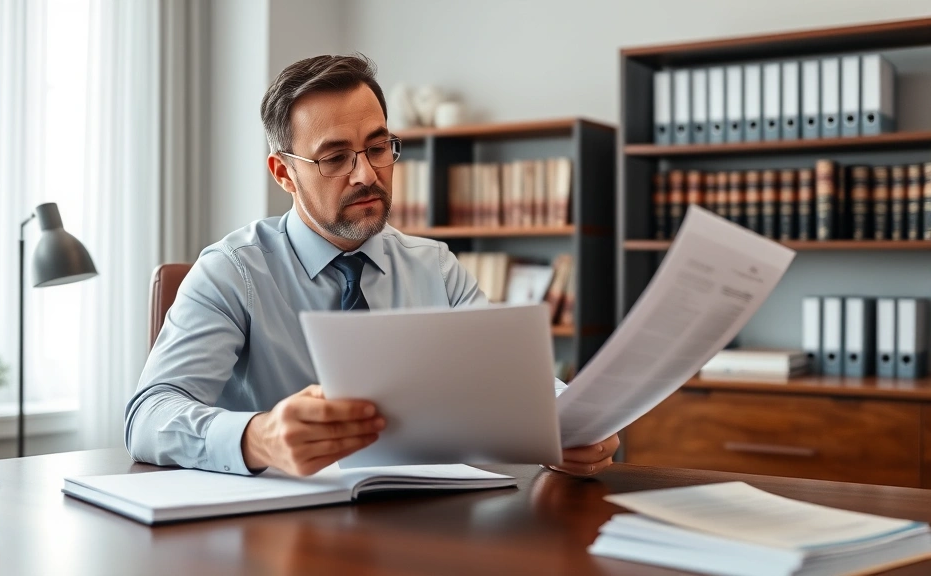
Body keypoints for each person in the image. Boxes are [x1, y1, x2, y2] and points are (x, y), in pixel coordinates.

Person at [124, 54, 619, 478]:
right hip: (281, 535)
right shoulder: (232, 272)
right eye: (335, 158)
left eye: (378, 147)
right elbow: (148, 415)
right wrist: (258, 437)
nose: (366, 175)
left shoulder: (436, 267)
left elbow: (513, 380)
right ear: (284, 174)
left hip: (424, 525)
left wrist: (569, 425)